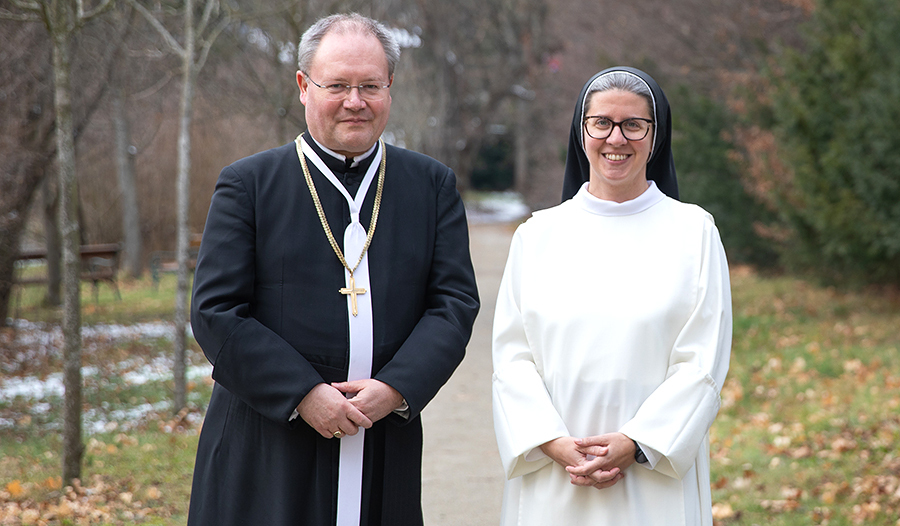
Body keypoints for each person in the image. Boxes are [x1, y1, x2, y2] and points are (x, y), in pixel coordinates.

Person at [186, 13, 480, 526]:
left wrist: (395, 389)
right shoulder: (248, 185)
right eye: (337, 85)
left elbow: (453, 306)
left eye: (370, 85)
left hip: (384, 432)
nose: (355, 101)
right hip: (268, 439)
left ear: (390, 86)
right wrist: (304, 394)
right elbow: (215, 313)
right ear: (304, 86)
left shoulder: (430, 187)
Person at [491, 66, 732, 525]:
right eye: (601, 123)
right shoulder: (537, 236)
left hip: (653, 472)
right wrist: (553, 442)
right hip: (555, 471)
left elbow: (703, 362)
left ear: (655, 135)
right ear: (582, 133)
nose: (616, 139)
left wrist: (636, 442)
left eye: (633, 125)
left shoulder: (694, 233)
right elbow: (512, 359)